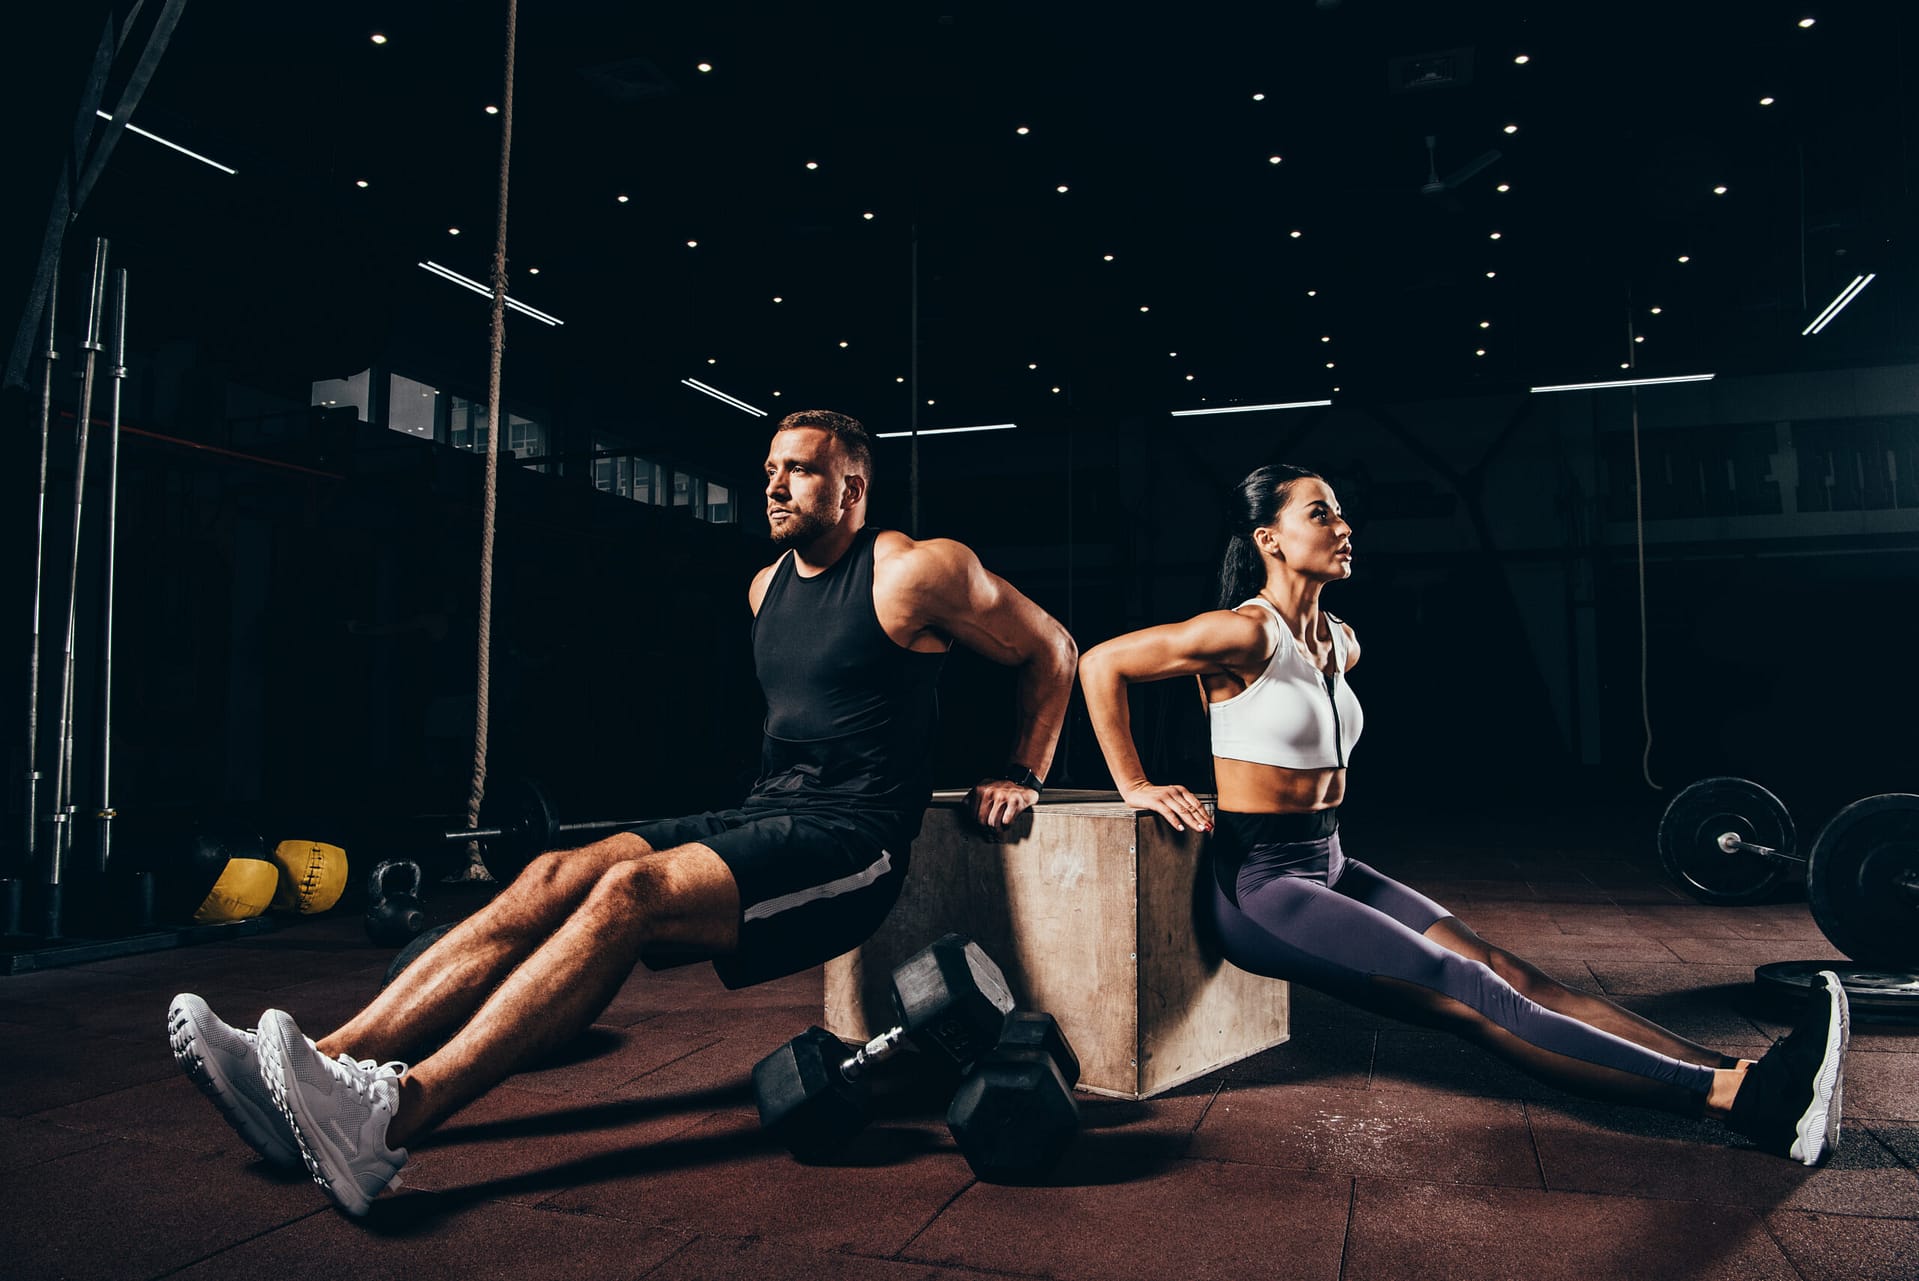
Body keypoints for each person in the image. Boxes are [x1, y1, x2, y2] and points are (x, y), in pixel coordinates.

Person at [168, 409, 1077, 1214]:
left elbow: (1055, 649)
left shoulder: (915, 572)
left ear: (852, 486)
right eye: (769, 468)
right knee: (554, 873)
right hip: (763, 813)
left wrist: (1022, 772)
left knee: (630, 893)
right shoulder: (764, 588)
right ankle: (320, 1066)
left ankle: (391, 1118)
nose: (773, 482)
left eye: (797, 468)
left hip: (853, 845)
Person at [1077, 463, 1848, 1165]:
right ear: (1268, 538)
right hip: (1261, 887)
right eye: (1321, 513)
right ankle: (1737, 1104)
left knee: (1509, 969)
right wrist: (1135, 784)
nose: (1344, 526)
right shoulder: (1241, 632)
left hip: (1330, 859)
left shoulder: (1339, 642)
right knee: (1472, 992)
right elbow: (1100, 663)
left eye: (1342, 511)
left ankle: (1741, 1073)